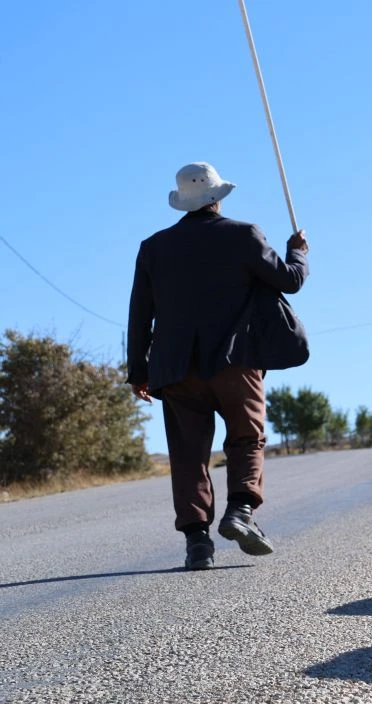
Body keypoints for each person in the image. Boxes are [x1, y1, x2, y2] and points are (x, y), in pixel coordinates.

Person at [127, 162, 309, 569]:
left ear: (183, 203)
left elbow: (139, 314)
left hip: (174, 369)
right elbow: (289, 280)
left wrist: (138, 371)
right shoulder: (243, 235)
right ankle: (241, 512)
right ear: (219, 196)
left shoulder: (153, 247)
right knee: (247, 438)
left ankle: (197, 544)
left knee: (188, 454)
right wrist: (297, 250)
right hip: (235, 360)